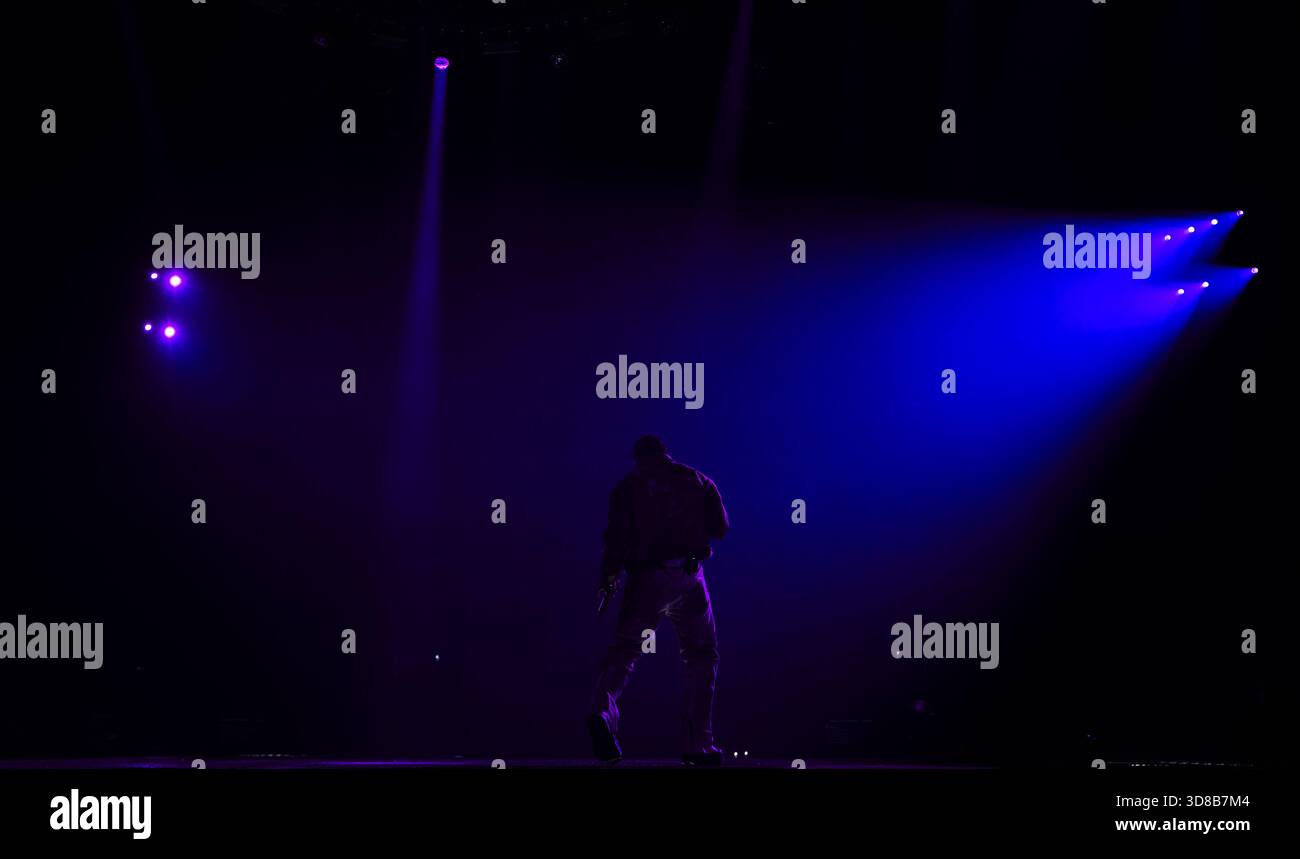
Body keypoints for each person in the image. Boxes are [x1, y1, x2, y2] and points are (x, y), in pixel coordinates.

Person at [588, 435, 730, 766]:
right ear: (666, 453)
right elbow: (722, 527)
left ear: (637, 457)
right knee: (701, 656)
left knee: (624, 653)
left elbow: (616, 541)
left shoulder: (627, 488)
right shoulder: (696, 479)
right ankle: (699, 743)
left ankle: (601, 711)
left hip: (645, 579)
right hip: (688, 576)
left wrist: (608, 579)